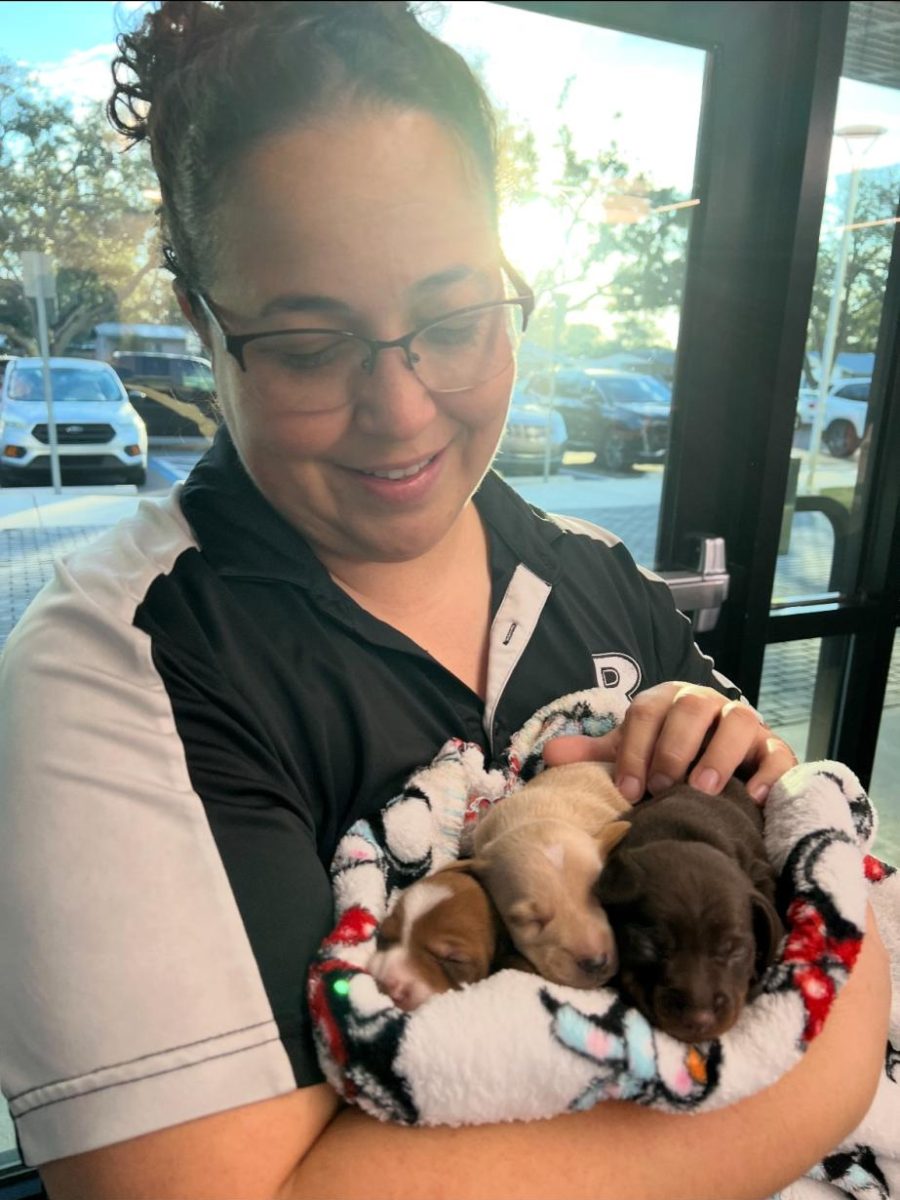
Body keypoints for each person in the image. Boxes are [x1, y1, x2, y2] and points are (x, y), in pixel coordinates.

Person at [0, 3, 888, 1198]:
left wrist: (755, 770)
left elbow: (807, 865)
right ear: (205, 327)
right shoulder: (116, 674)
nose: (406, 410)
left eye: (459, 319)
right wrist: (828, 1050)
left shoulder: (591, 571)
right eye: (311, 346)